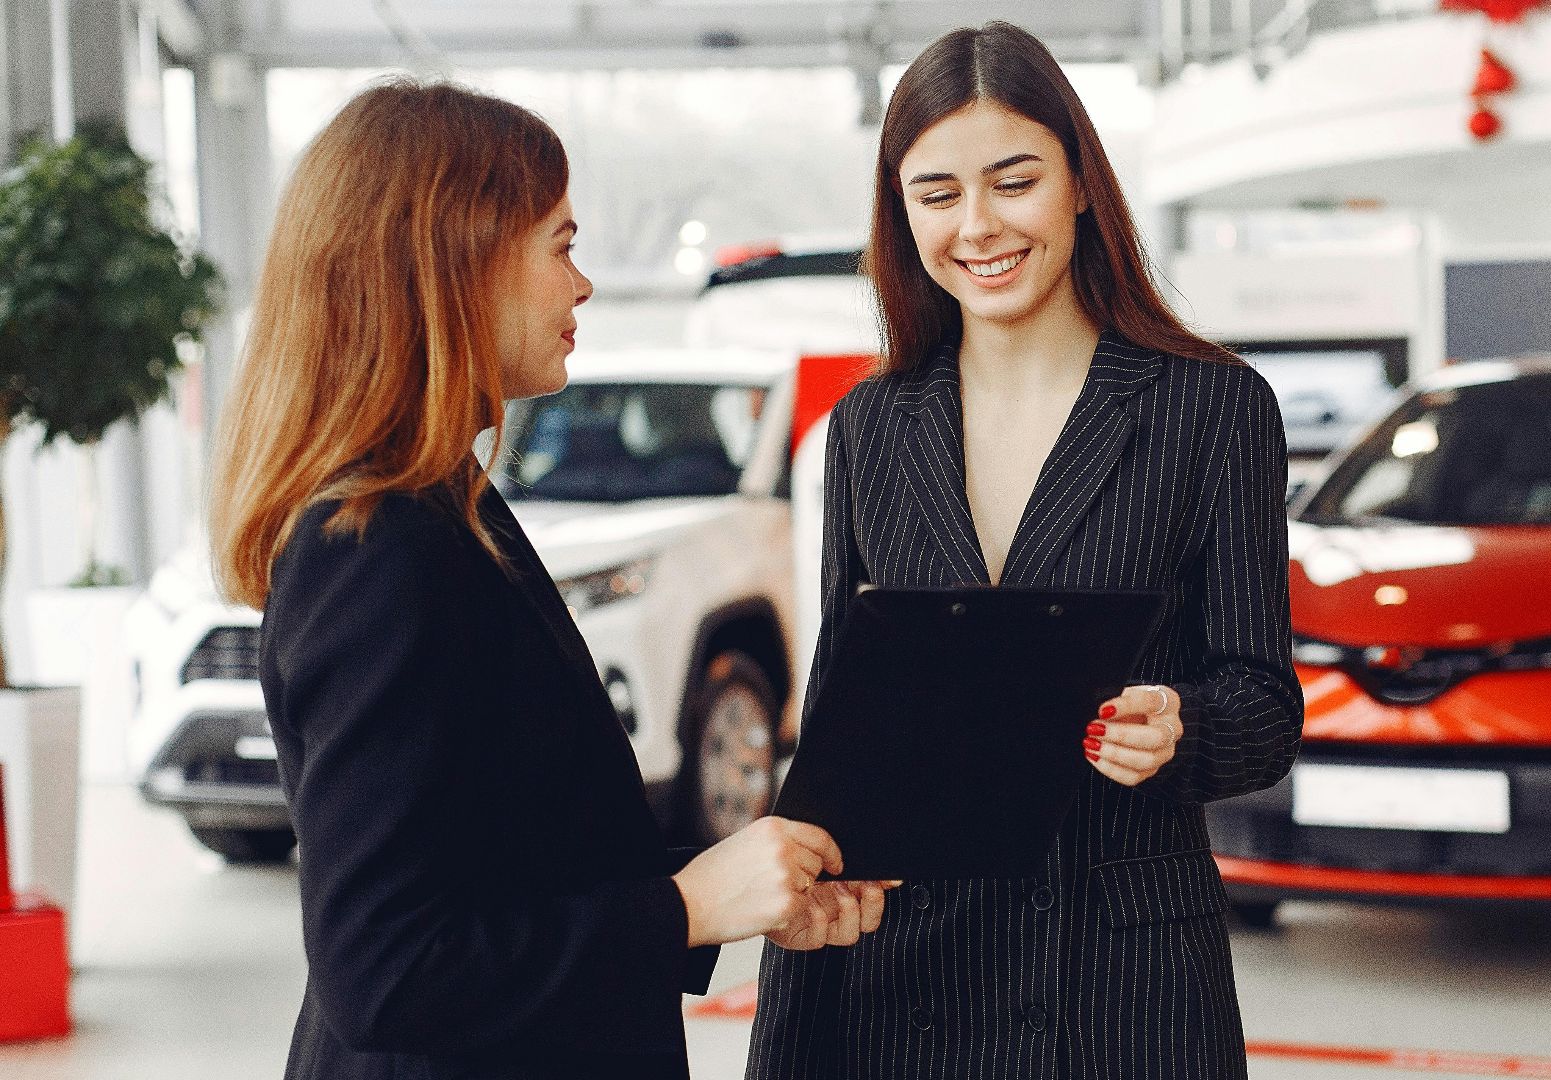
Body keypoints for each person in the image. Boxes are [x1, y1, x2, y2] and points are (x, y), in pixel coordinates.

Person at [207, 79, 886, 1080]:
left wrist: (724, 887)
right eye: (560, 244)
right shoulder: (378, 549)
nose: (584, 286)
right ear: (455, 262)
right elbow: (386, 968)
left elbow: (510, 864)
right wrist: (690, 907)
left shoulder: (447, 510)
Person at [748, 21, 1305, 1080]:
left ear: (1082, 185)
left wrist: (1183, 727)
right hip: (910, 977)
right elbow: (844, 725)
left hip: (1124, 987)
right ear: (900, 209)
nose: (978, 226)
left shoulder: (1212, 407)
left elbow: (1265, 703)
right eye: (937, 193)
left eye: (1014, 181)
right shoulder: (872, 426)